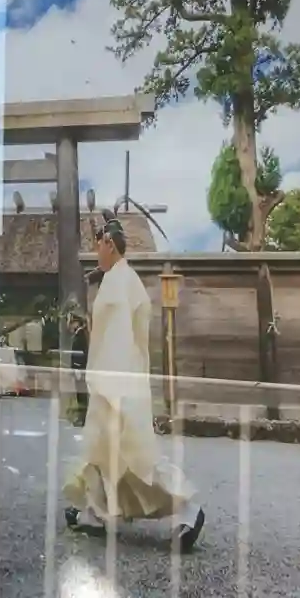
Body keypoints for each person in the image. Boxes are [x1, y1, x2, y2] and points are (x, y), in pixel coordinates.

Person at [64, 217, 205, 550]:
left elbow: (118, 342)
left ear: (109, 244)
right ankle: (94, 512)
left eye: (98, 245)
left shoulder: (118, 284)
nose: (96, 251)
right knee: (101, 452)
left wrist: (111, 388)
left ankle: (188, 507)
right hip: (115, 378)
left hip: (116, 381)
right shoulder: (123, 280)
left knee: (137, 455)